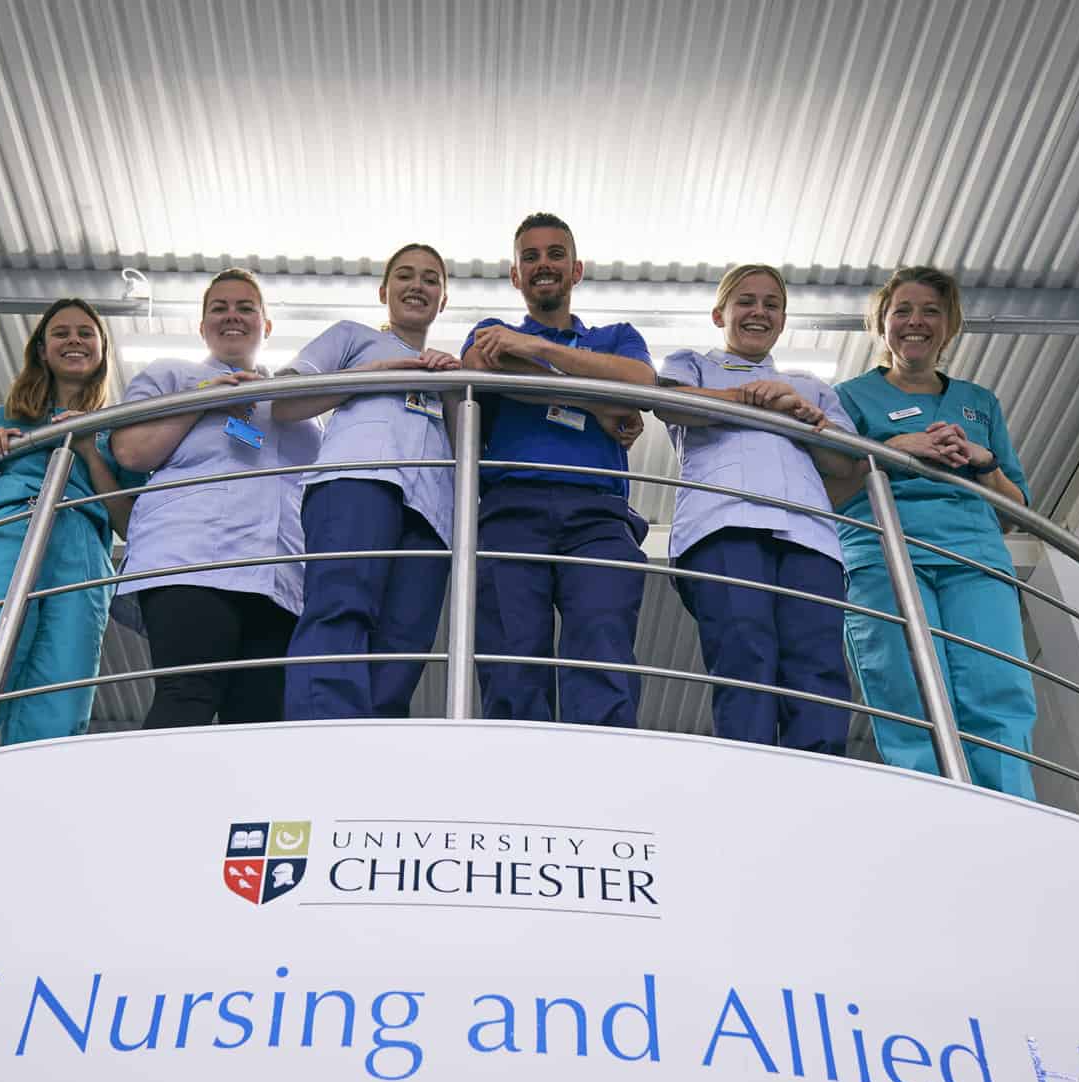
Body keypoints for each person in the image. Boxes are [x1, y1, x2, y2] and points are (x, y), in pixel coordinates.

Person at [834, 265, 1037, 798]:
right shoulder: (850, 398)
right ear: (881, 325)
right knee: (909, 691)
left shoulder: (980, 403)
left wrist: (982, 459)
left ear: (949, 327)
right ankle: (934, 810)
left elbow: (1012, 510)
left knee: (997, 689)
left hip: (974, 557)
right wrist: (899, 450)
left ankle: (1011, 814)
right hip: (886, 553)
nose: (915, 322)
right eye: (901, 310)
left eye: (931, 311)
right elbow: (826, 491)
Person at [656, 263, 865, 752]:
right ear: (719, 314)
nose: (759, 312)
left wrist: (804, 414)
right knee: (744, 652)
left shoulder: (810, 385)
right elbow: (668, 405)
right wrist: (751, 401)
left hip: (810, 538)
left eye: (772, 304)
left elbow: (846, 462)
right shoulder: (692, 363)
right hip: (724, 527)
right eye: (745, 301)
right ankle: (750, 776)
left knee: (816, 665)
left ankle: (819, 783)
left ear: (784, 318)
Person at [459, 212, 656, 726]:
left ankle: (605, 791)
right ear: (515, 275)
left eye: (555, 254)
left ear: (577, 269)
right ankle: (516, 789)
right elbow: (484, 366)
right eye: (531, 257)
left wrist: (535, 348)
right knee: (510, 662)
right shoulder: (489, 332)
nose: (543, 264)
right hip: (510, 511)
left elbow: (640, 381)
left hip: (599, 517)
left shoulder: (617, 336)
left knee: (604, 651)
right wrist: (595, 403)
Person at [106, 268, 323, 728]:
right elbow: (131, 451)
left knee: (261, 720)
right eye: (218, 308)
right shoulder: (171, 375)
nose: (232, 316)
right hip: (191, 560)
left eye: (246, 308)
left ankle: (243, 805)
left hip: (277, 577)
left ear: (266, 326)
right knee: (188, 696)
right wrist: (202, 399)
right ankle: (158, 803)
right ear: (202, 327)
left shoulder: (295, 408)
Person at [0, 298, 139, 760]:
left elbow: (128, 523)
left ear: (102, 350)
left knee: (63, 684)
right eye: (61, 333)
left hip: (82, 544)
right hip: (9, 532)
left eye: (86, 333)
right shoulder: (5, 417)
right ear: (42, 350)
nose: (74, 341)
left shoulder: (117, 429)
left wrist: (88, 451)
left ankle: (33, 796)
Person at [275, 243, 462, 719]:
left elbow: (468, 452)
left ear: (442, 301)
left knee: (406, 638)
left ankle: (376, 742)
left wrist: (459, 389)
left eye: (430, 279)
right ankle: (322, 731)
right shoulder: (352, 337)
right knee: (341, 607)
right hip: (356, 480)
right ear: (384, 290)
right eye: (405, 276)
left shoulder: (449, 371)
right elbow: (284, 400)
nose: (417, 285)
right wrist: (377, 371)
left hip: (430, 510)